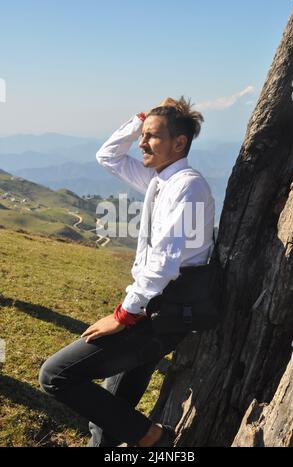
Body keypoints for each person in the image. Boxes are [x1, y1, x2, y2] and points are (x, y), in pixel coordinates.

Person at [39, 97, 215, 447]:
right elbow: (108, 156)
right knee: (108, 421)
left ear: (179, 143)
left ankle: (153, 438)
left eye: (151, 136)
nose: (141, 142)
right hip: (156, 310)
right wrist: (141, 118)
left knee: (55, 375)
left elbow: (162, 264)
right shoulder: (160, 179)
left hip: (160, 314)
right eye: (142, 134)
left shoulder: (187, 187)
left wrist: (123, 314)